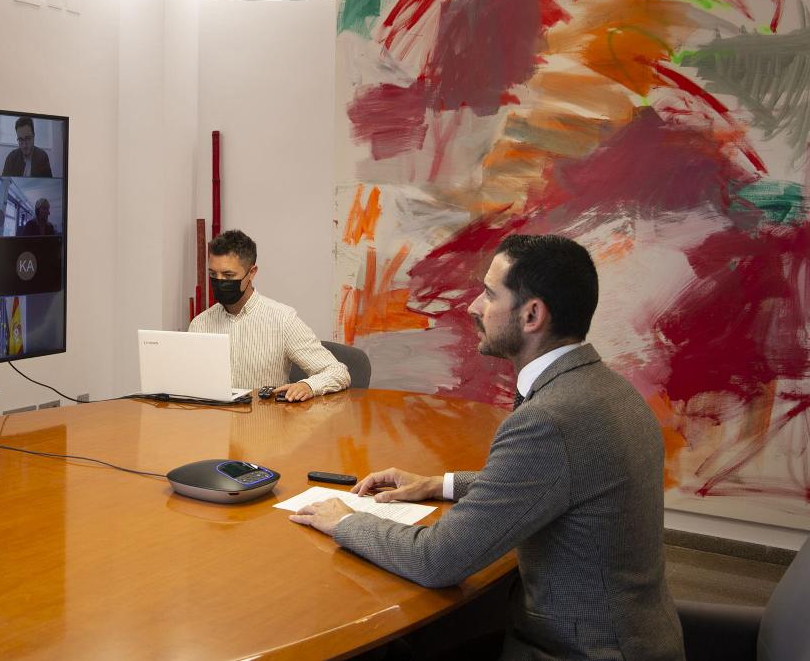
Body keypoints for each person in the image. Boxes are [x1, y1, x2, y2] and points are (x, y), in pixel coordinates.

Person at [289, 234, 684, 661]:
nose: (475, 306)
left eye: (490, 294)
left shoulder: (549, 419)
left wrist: (344, 521)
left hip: (578, 649)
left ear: (532, 314)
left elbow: (436, 561)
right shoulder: (606, 388)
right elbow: (554, 478)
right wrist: (437, 485)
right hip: (634, 634)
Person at [188, 230, 349, 401]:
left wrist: (308, 386)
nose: (219, 282)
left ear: (251, 272)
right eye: (213, 274)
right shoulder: (200, 324)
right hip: (213, 423)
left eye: (228, 275)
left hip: (268, 423)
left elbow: (337, 372)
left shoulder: (283, 320)